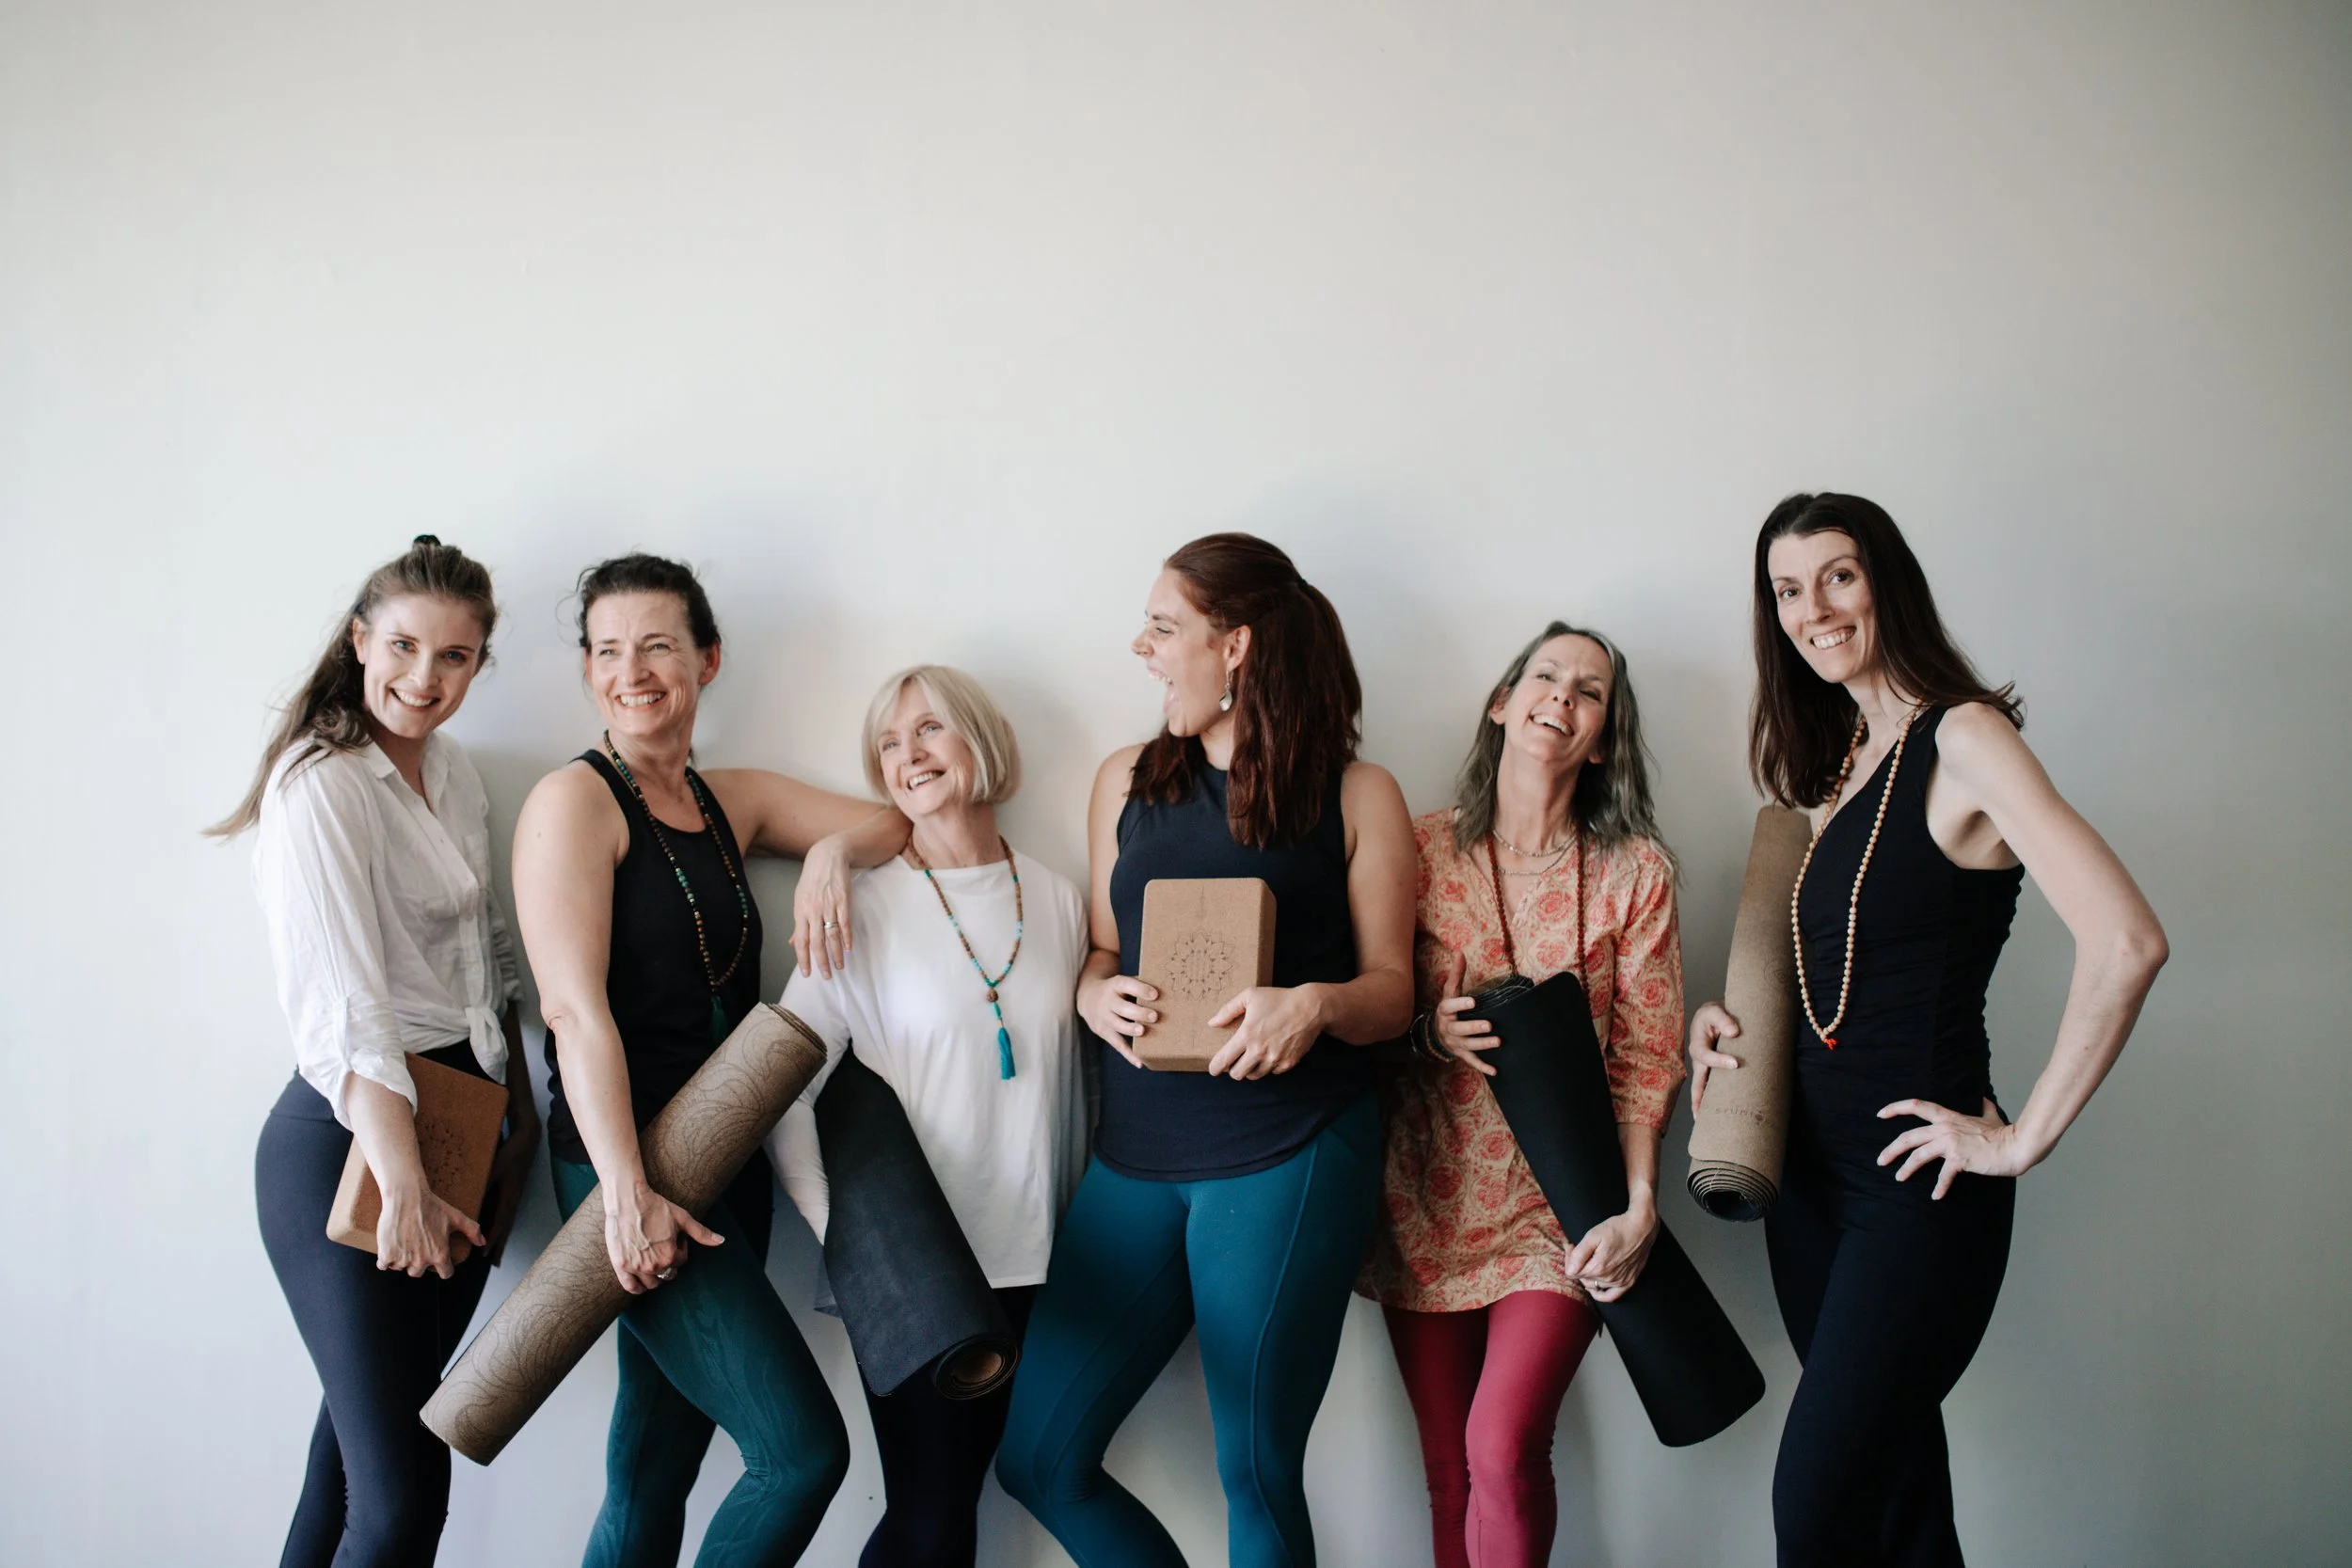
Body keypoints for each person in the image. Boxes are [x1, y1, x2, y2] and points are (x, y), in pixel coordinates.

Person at [1687, 493, 2168, 1566]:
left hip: (1917, 1192)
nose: (1813, 607)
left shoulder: (1964, 735)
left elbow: (2127, 938)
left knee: (1812, 1515)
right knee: (1899, 1509)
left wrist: (2019, 1137)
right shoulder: (1847, 761)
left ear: (1886, 581)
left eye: (1838, 574)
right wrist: (1733, 1026)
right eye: (1786, 588)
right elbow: (1845, 966)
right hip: (1809, 1188)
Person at [993, 532, 1418, 1568]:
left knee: (1256, 1472)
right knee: (1038, 1456)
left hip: (1289, 1152)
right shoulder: (1124, 779)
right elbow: (1098, 949)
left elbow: (1393, 994)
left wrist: (1313, 1006)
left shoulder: (1359, 794)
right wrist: (1094, 994)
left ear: (1236, 647)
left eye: (1163, 626)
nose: (1140, 646)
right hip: (1133, 1157)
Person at [509, 552, 907, 1568]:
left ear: (707, 658)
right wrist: (624, 1193)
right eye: (606, 649)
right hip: (626, 1169)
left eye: (656, 644)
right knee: (800, 1452)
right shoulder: (575, 801)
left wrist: (828, 854)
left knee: (652, 1465)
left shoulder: (732, 800)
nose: (631, 669)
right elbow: (571, 1009)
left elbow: (894, 821)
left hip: (732, 1154)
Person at [225, 535, 540, 1568]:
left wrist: (513, 1109)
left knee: (349, 1469)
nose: (422, 678)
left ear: (478, 664)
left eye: (453, 657)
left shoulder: (452, 773)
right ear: (360, 639)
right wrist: (401, 1171)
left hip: (460, 1124)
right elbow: (343, 1008)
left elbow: (484, 953)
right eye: (402, 645)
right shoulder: (323, 784)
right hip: (354, 1139)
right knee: (404, 1495)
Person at [1359, 622, 1686, 1568]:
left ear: (1603, 734)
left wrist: (1638, 1204)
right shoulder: (1416, 849)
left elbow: (1644, 1057)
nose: (1563, 695)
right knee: (1446, 1467)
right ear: (1501, 702)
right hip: (1423, 1195)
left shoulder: (1636, 874)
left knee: (1499, 1448)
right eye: (1545, 675)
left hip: (1560, 1207)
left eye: (1590, 690)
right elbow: (1365, 1006)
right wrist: (1429, 1033)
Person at [765, 665, 1090, 1568]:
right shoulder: (856, 906)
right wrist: (842, 1234)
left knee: (949, 1512)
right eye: (888, 743)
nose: (908, 756)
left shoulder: (1060, 898)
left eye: (929, 730)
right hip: (914, 1269)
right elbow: (783, 1081)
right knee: (929, 1511)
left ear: (980, 738)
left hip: (1031, 1253)